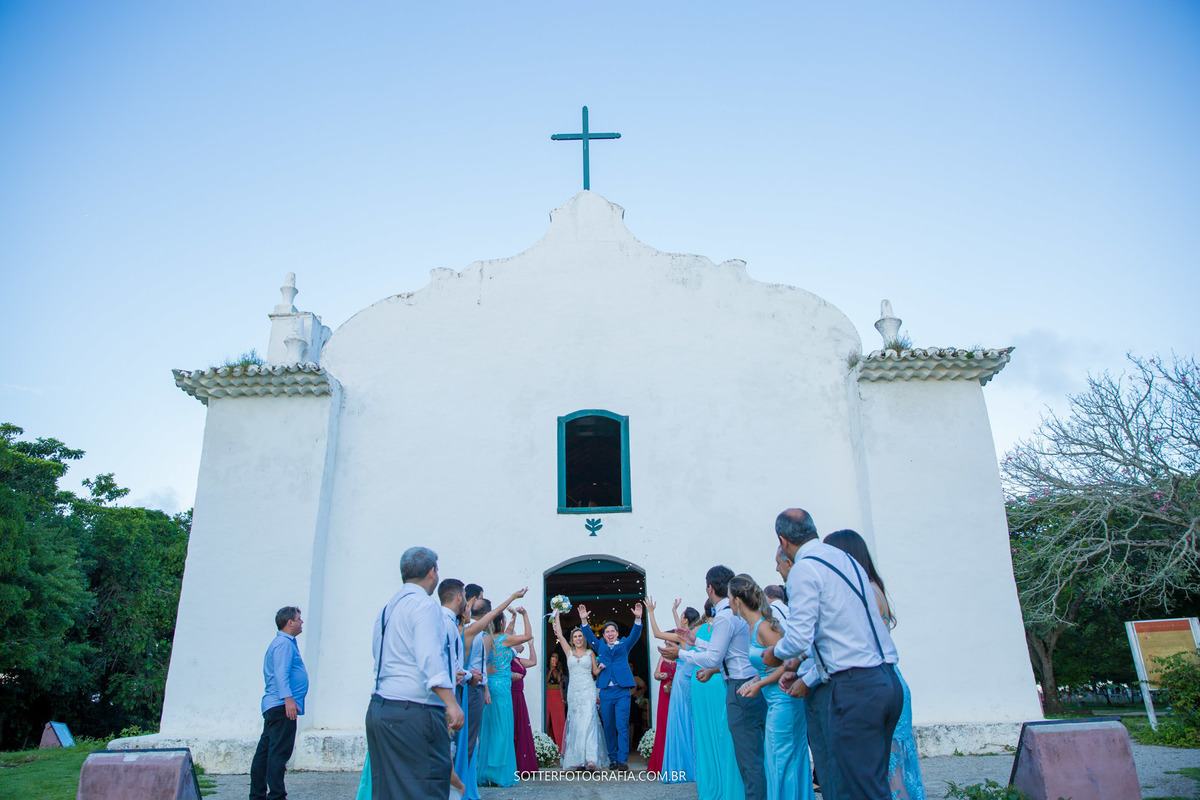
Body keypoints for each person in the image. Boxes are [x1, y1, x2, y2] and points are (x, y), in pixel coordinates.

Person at [763, 509, 902, 800]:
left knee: (857, 787)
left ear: (783, 540)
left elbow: (799, 636)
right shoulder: (846, 559)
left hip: (856, 687)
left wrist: (776, 653)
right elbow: (841, 629)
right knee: (874, 783)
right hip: (887, 680)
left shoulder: (805, 568)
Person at [824, 529, 926, 800]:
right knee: (890, 767)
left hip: (876, 680)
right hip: (889, 679)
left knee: (890, 770)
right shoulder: (871, 588)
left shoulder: (865, 592)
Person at [365, 547, 464, 800]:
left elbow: (378, 653)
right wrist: (451, 703)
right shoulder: (424, 605)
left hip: (381, 706)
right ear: (432, 572)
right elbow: (430, 657)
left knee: (389, 790)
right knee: (427, 786)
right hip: (414, 710)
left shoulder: (387, 608)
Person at [662, 566, 765, 800]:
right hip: (742, 682)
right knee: (742, 751)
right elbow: (723, 650)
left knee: (744, 754)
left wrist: (681, 654)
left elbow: (713, 658)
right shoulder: (732, 614)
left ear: (709, 588)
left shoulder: (725, 617)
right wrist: (694, 641)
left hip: (739, 685)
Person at [729, 575, 813, 800]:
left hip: (785, 699)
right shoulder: (753, 627)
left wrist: (760, 684)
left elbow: (788, 663)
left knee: (781, 759)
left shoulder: (764, 627)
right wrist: (755, 680)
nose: (728, 603)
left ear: (737, 600)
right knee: (779, 759)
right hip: (775, 700)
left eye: (729, 598)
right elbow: (768, 666)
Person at [250, 606, 308, 800]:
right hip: (282, 706)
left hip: (275, 705)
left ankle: (257, 795)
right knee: (278, 753)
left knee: (265, 753)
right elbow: (281, 673)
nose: (301, 622)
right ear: (289, 622)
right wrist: (288, 700)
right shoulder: (284, 644)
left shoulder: (283, 643)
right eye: (299, 619)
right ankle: (276, 795)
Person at [578, 601, 643, 770]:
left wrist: (637, 618)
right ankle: (612, 759)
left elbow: (635, 635)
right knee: (608, 725)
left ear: (617, 633)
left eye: (613, 631)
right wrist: (584, 621)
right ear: (604, 635)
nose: (610, 633)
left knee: (622, 725)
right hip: (606, 691)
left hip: (622, 691)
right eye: (607, 632)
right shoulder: (600, 646)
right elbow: (589, 636)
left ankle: (622, 760)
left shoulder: (624, 645)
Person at [477, 602, 533, 786]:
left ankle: (488, 771)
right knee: (502, 730)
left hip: (492, 685)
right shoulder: (504, 640)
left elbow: (508, 630)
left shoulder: (491, 639)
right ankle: (495, 773)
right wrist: (524, 614)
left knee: (491, 727)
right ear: (501, 623)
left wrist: (513, 617)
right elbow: (527, 636)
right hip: (501, 688)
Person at [645, 597, 697, 784]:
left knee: (679, 722)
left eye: (682, 616)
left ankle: (682, 766)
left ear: (686, 620)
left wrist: (651, 612)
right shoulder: (693, 636)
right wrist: (675, 611)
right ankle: (693, 764)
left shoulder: (683, 638)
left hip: (680, 682)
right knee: (689, 722)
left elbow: (657, 633)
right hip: (691, 681)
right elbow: (680, 629)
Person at [551, 611, 609, 770]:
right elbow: (559, 634)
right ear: (572, 639)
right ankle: (577, 759)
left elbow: (594, 671)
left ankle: (591, 758)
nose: (578, 639)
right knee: (576, 723)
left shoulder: (590, 653)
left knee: (589, 720)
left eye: (580, 636)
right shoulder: (568, 652)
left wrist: (600, 668)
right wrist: (557, 616)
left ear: (584, 638)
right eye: (575, 636)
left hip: (588, 689)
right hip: (574, 691)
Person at [508, 611, 540, 774]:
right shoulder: (506, 659)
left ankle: (523, 765)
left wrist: (531, 645)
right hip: (510, 695)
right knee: (512, 727)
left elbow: (533, 661)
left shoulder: (518, 660)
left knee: (521, 729)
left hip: (520, 696)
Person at [647, 654, 674, 774]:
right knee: (663, 724)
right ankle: (662, 762)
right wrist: (660, 675)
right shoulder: (663, 657)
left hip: (675, 691)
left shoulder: (681, 654)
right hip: (664, 693)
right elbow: (656, 674)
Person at [545, 651, 566, 749]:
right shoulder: (546, 669)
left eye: (556, 657)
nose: (554, 659)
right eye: (553, 657)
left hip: (557, 695)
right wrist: (551, 670)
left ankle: (560, 746)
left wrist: (562, 700)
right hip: (548, 694)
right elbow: (545, 682)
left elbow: (560, 686)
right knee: (547, 720)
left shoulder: (559, 671)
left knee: (559, 720)